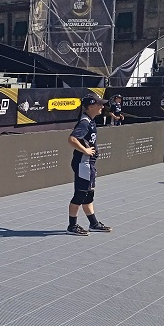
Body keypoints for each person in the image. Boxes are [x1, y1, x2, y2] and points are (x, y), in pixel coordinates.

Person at [66, 94, 112, 236]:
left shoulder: (90, 121)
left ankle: (94, 223)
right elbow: (72, 139)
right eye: (99, 104)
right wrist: (85, 150)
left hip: (88, 164)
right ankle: (72, 226)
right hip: (83, 164)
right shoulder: (85, 122)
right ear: (91, 106)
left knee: (89, 194)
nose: (102, 107)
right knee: (80, 194)